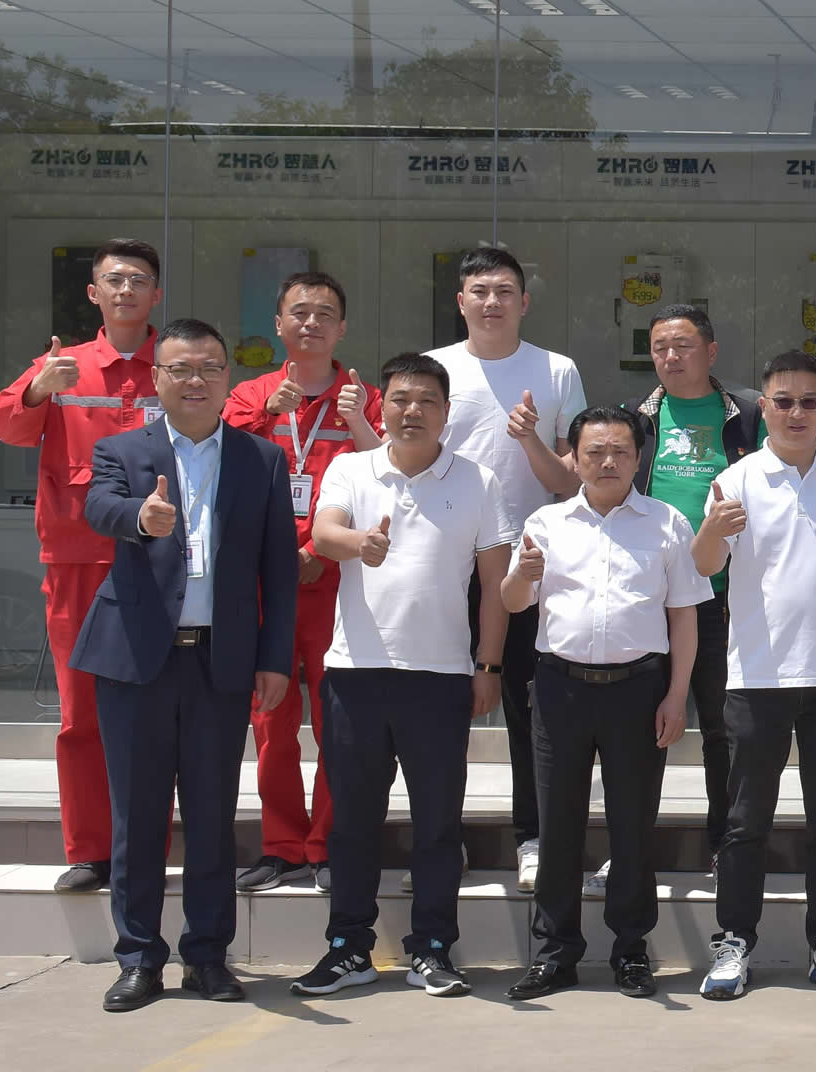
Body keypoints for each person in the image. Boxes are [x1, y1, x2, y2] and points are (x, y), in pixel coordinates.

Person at [74, 318, 298, 1012]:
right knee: (138, 816)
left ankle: (207, 957)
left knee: (211, 815)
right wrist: (140, 519)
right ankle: (139, 958)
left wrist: (274, 658)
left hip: (220, 662)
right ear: (157, 379)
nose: (195, 381)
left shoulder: (261, 460)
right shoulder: (123, 449)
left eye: (209, 368)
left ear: (228, 378)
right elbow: (97, 505)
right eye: (180, 369)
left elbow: (278, 571)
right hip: (136, 659)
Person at [290, 352, 514, 1000]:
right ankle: (348, 947)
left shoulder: (477, 481)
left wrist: (488, 665)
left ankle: (433, 948)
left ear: (446, 413)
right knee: (352, 821)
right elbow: (324, 533)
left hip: (440, 678)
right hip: (355, 675)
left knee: (438, 823)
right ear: (380, 406)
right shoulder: (351, 467)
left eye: (426, 401)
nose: (412, 411)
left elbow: (496, 584)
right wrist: (359, 543)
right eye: (400, 399)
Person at [694, 350, 816, 1000]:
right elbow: (704, 565)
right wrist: (712, 531)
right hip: (757, 676)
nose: (797, 413)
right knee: (745, 821)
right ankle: (734, 942)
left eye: (809, 401)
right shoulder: (738, 479)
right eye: (784, 401)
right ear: (765, 408)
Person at [501, 407, 711, 1001]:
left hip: (638, 690)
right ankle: (554, 953)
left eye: (620, 450)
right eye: (595, 451)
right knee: (557, 824)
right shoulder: (546, 523)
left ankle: (631, 950)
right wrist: (523, 574)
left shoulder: (667, 523)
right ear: (574, 458)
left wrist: (677, 695)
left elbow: (684, 617)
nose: (608, 462)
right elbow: (513, 601)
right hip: (560, 687)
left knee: (633, 825)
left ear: (639, 457)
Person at [0, 237, 167, 893]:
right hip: (76, 558)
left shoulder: (175, 367)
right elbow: (7, 427)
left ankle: (144, 847)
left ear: (156, 295)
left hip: (160, 560)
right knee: (81, 712)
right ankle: (91, 850)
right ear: (94, 293)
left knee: (155, 712)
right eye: (114, 279)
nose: (126, 289)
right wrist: (39, 389)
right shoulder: (61, 365)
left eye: (138, 279)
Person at [424, 247, 585, 893]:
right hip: (441, 563)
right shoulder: (435, 368)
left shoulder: (556, 369)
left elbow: (568, 482)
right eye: (479, 290)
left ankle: (533, 837)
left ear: (525, 301)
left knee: (529, 712)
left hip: (527, 564)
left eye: (504, 291)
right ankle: (441, 841)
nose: (492, 302)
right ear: (460, 301)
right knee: (439, 714)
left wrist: (529, 439)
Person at [220, 271, 382, 894]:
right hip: (265, 585)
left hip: (336, 582)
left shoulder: (362, 398)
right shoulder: (249, 394)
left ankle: (329, 845)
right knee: (271, 721)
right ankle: (282, 844)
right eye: (299, 312)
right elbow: (218, 469)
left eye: (325, 313)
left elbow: (386, 479)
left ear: (342, 328)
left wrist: (317, 547)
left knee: (338, 722)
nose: (311, 322)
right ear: (279, 323)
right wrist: (266, 415)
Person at [619, 304, 760, 877]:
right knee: (638, 729)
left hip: (724, 596)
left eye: (683, 346)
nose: (671, 357)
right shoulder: (635, 417)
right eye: (660, 348)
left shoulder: (749, 414)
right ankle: (630, 851)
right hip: (650, 597)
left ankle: (725, 846)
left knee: (723, 730)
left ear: (711, 351)